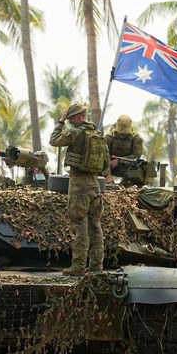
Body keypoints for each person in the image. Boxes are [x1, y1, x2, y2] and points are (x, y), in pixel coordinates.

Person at [49, 102, 113, 276]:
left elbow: (54, 140)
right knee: (95, 225)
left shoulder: (75, 133)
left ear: (78, 117)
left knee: (80, 225)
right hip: (95, 184)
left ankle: (77, 267)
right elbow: (106, 163)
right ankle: (96, 266)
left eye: (71, 118)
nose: (70, 121)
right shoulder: (98, 134)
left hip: (79, 183)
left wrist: (60, 122)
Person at [105, 115, 146, 186]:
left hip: (127, 166)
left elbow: (136, 156)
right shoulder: (109, 137)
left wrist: (119, 160)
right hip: (109, 165)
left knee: (143, 168)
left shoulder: (136, 138)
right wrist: (107, 174)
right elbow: (103, 156)